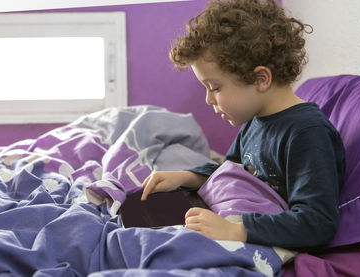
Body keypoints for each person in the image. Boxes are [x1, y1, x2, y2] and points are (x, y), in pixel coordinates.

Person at [141, 0, 345, 251]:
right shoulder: (256, 121)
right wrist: (186, 177)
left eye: (215, 87)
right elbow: (231, 170)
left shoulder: (307, 133)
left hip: (257, 237)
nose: (208, 99)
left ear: (261, 79)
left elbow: (317, 223)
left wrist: (236, 230)